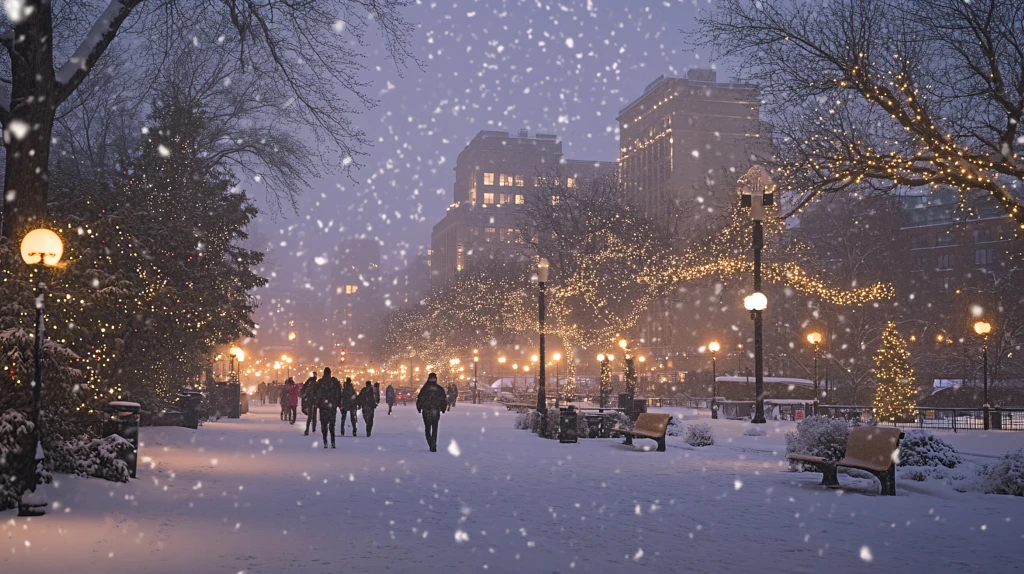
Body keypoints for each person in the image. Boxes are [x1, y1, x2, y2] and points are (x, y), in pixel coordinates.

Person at [416, 373, 448, 452]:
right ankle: (432, 443)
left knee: (431, 428)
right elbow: (443, 399)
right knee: (431, 428)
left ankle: (432, 443)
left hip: (430, 410)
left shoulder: (425, 388)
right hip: (432, 410)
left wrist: (419, 407)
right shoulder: (438, 389)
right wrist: (443, 407)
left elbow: (420, 398)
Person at [318, 368, 342, 448]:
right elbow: (339, 393)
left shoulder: (320, 382)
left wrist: (318, 404)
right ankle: (333, 442)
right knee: (332, 425)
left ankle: (325, 441)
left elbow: (317, 394)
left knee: (324, 425)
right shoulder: (334, 382)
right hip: (332, 406)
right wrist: (338, 403)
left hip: (323, 407)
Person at [302, 371, 320, 436]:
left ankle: (307, 429)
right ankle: (313, 428)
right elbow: (318, 392)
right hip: (314, 400)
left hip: (309, 400)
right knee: (314, 414)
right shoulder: (315, 383)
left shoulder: (308, 382)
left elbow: (304, 389)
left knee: (310, 416)